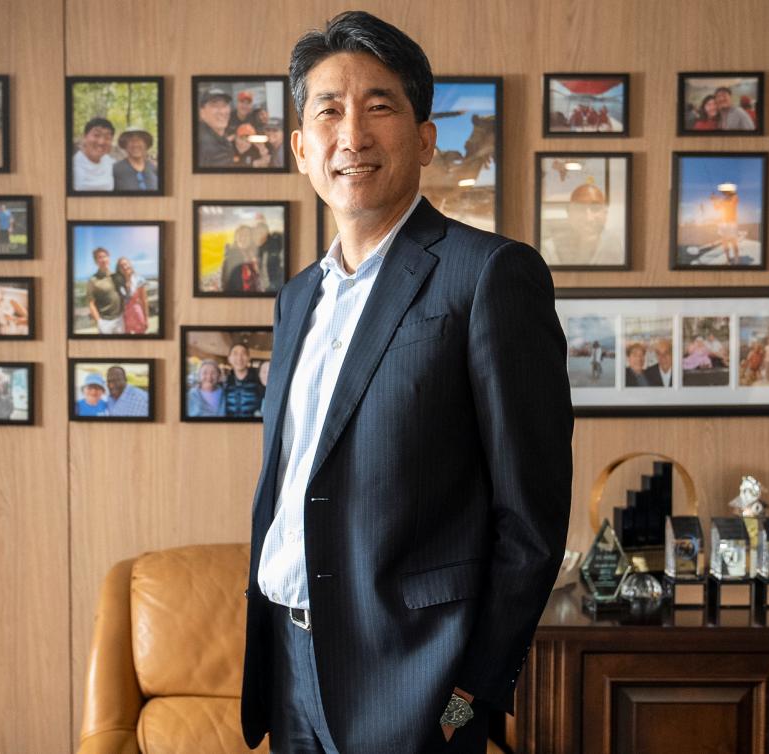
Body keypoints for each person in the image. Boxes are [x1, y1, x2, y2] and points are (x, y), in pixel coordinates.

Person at [242, 13, 572, 754]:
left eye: (379, 106)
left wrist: (471, 700)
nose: (351, 134)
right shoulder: (297, 298)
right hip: (290, 665)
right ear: (301, 149)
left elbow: (531, 515)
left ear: (425, 138)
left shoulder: (487, 275)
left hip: (423, 684)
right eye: (327, 110)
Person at [540, 180, 616, 266]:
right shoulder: (548, 250)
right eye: (580, 209)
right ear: (569, 213)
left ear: (605, 214)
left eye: (595, 209)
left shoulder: (615, 245)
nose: (588, 218)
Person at [86, 247, 125, 334]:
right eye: (100, 257)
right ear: (96, 261)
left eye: (105, 256)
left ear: (109, 258)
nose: (103, 259)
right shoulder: (93, 280)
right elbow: (91, 303)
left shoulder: (116, 276)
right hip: (105, 322)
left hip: (120, 318)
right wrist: (99, 322)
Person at [73, 117, 116, 191]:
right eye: (96, 135)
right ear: (85, 137)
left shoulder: (112, 164)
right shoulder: (72, 165)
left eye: (107, 137)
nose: (101, 142)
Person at [197, 88, 236, 168]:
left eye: (224, 105)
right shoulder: (206, 146)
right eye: (215, 106)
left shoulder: (218, 136)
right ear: (202, 112)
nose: (222, 112)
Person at [223, 343, 263, 417]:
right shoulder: (224, 383)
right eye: (235, 354)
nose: (239, 358)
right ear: (229, 359)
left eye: (243, 354)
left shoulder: (259, 381)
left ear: (248, 358)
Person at [115, 257, 150, 334]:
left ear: (130, 264)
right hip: (125, 316)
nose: (124, 267)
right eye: (121, 266)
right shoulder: (118, 283)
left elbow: (144, 300)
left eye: (126, 264)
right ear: (119, 269)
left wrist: (146, 318)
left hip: (137, 314)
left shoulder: (139, 279)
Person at [711, 187, 741, 265]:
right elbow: (716, 208)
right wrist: (713, 200)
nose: (724, 193)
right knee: (724, 242)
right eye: (724, 192)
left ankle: (737, 259)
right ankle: (728, 259)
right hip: (723, 223)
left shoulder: (734, 198)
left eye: (726, 192)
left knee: (734, 242)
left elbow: (734, 198)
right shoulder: (723, 201)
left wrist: (717, 198)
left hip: (732, 223)